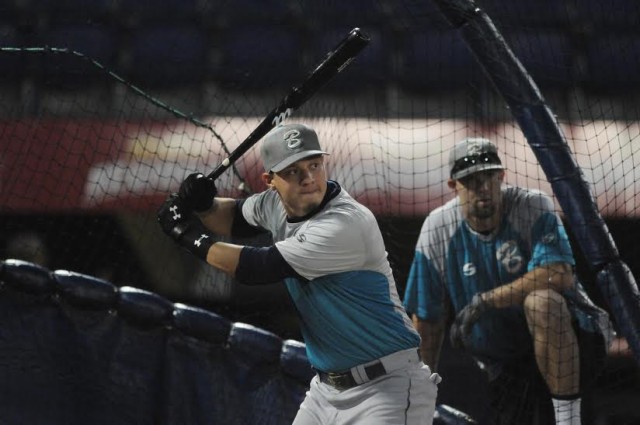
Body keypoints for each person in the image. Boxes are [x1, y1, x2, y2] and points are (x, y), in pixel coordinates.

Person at [157, 123, 440, 425]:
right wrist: (203, 204)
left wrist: (184, 233)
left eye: (314, 165)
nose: (308, 179)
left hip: (387, 388)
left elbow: (255, 267)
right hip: (326, 390)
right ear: (270, 181)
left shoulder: (345, 223)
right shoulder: (275, 204)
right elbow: (232, 218)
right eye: (293, 171)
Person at [403, 138, 614, 425]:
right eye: (472, 180)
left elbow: (557, 272)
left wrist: (485, 301)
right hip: (504, 360)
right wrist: (420, 403)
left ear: (501, 176)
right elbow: (427, 322)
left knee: (542, 301)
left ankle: (568, 421)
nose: (484, 187)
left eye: (489, 176)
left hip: (572, 342)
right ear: (454, 185)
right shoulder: (437, 228)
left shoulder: (532, 205)